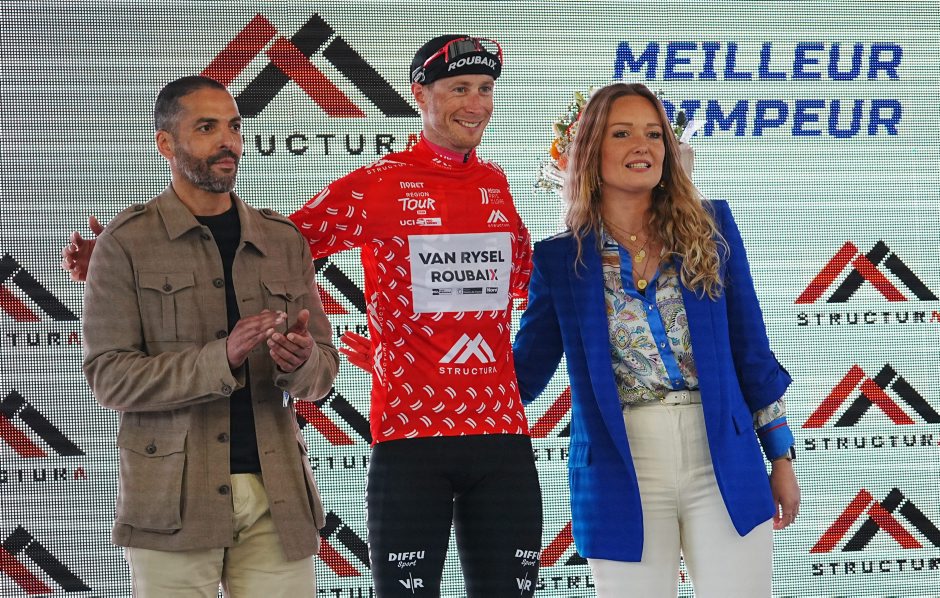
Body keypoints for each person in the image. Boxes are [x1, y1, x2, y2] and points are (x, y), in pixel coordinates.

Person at [65, 38, 542, 597]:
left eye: (485, 89)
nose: (476, 103)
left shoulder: (496, 184)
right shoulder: (378, 184)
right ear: (420, 95)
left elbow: (525, 286)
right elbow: (269, 248)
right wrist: (128, 259)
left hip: (501, 428)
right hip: (410, 427)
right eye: (459, 88)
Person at [512, 82, 800, 597]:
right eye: (622, 134)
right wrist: (425, 365)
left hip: (723, 455)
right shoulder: (559, 259)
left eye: (654, 134)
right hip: (620, 467)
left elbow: (751, 351)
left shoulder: (711, 228)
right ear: (590, 149)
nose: (642, 146)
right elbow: (523, 374)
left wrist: (780, 456)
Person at [81, 75, 339, 597]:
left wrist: (301, 362)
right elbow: (110, 378)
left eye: (234, 127)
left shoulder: (282, 239)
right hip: (173, 503)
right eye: (206, 128)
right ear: (166, 144)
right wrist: (222, 357)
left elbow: (323, 375)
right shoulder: (126, 243)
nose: (228, 141)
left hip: (277, 498)